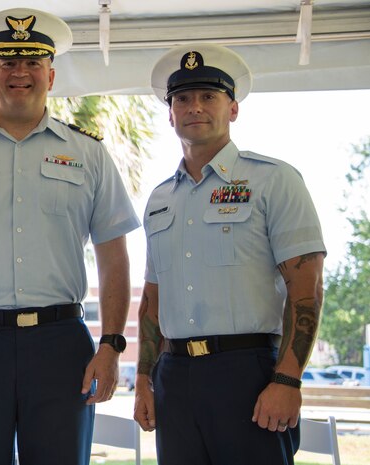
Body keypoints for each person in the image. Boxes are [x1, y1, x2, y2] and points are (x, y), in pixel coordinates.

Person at [0, 8, 140, 465]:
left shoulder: (88, 153)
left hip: (61, 347)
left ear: (50, 75)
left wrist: (111, 345)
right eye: (8, 62)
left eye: (32, 62)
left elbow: (114, 257)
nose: (20, 72)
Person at [133, 44, 326, 465]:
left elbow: (306, 287)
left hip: (247, 373)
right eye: (182, 99)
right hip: (174, 375)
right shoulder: (160, 198)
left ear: (233, 109)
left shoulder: (274, 180)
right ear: (170, 113)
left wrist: (288, 380)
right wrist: (144, 379)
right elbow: (153, 297)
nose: (194, 107)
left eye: (208, 96)